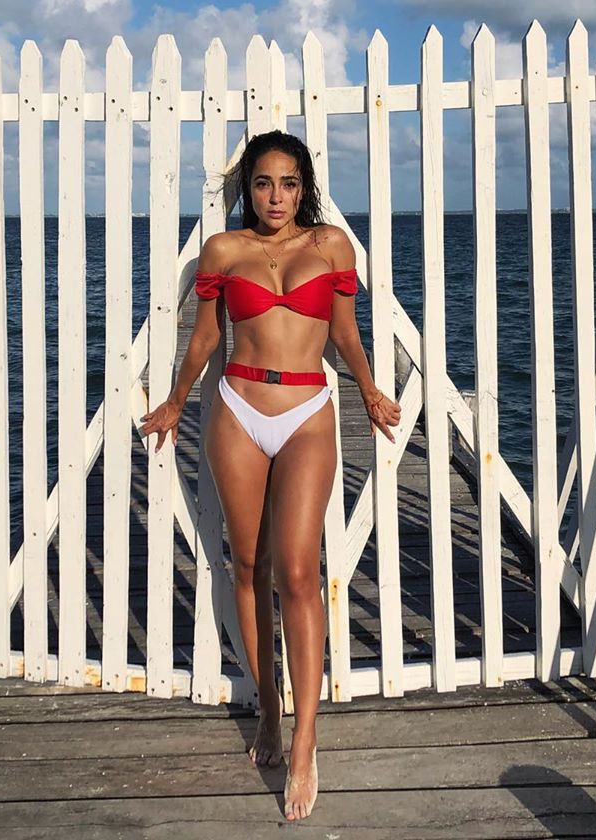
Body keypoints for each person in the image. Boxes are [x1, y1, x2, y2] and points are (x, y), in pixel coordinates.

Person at [140, 130, 401, 821]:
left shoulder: (332, 246)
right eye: (262, 183)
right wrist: (176, 401)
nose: (275, 197)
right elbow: (205, 337)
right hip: (237, 409)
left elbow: (344, 332)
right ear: (248, 189)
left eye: (287, 183)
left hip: (309, 410)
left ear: (303, 187)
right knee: (250, 565)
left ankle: (306, 742)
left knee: (299, 572)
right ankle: (268, 712)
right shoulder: (224, 251)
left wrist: (369, 389)